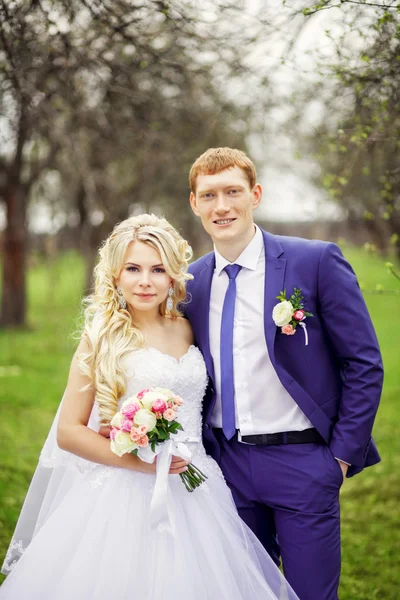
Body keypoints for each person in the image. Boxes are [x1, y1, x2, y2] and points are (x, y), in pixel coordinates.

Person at [0, 214, 298, 600]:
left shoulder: (188, 327)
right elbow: (69, 431)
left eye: (158, 269)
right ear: (116, 275)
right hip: (127, 487)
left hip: (199, 482)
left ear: (174, 274)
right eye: (133, 268)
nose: (145, 280)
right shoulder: (101, 337)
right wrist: (141, 462)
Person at [184, 147, 384, 600]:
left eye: (233, 191)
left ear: (254, 195)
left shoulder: (313, 262)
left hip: (305, 462)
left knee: (311, 594)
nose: (223, 206)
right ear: (194, 204)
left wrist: (339, 458)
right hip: (226, 468)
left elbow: (364, 363)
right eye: (210, 195)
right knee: (236, 591)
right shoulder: (189, 285)